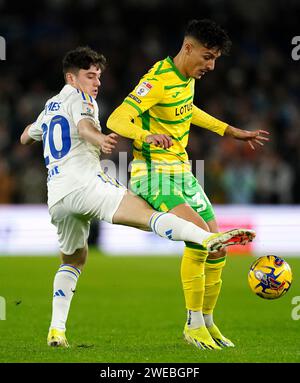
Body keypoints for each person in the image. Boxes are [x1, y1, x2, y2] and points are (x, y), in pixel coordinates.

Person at [20, 46, 254, 349]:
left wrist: (27, 136)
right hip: (87, 185)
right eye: (90, 76)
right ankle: (208, 239)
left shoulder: (49, 107)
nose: (97, 83)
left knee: (74, 260)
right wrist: (100, 138)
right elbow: (83, 126)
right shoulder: (81, 98)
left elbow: (27, 134)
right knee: (149, 215)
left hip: (57, 196)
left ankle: (56, 330)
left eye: (99, 76)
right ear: (71, 78)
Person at [107, 19, 269, 350]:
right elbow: (116, 119)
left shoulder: (186, 78)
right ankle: (192, 324)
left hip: (182, 172)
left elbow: (187, 110)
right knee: (199, 239)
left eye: (215, 60)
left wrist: (228, 130)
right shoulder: (156, 79)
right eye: (207, 57)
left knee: (219, 246)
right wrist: (145, 134)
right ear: (188, 48)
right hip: (151, 173)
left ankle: (208, 322)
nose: (210, 66)